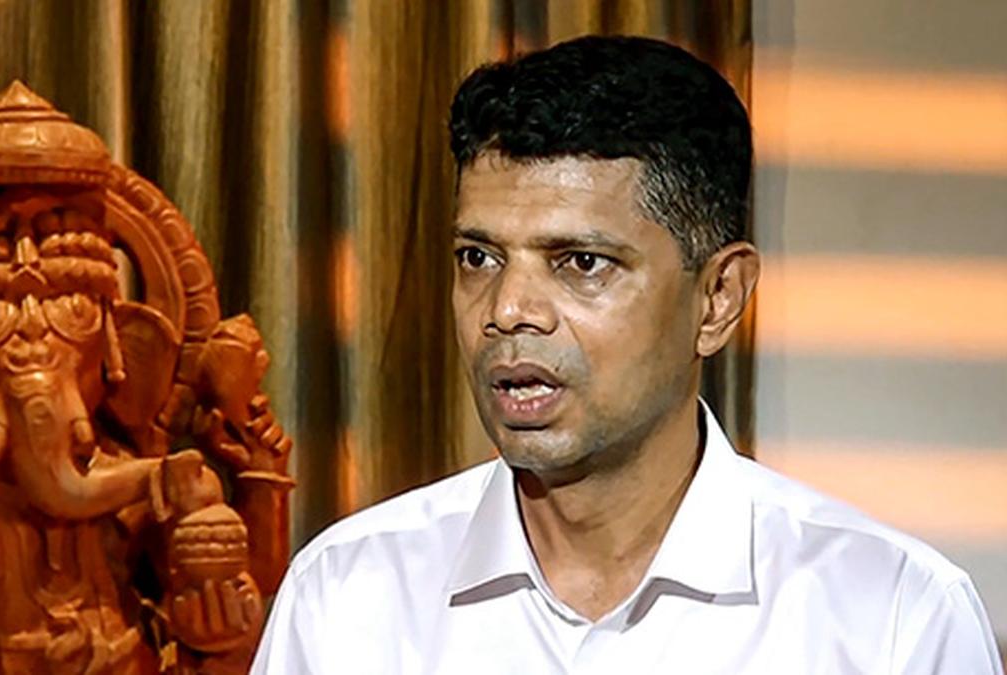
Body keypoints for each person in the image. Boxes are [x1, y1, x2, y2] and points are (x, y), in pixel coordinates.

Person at [251, 36, 1001, 673]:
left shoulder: (892, 619)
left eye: (580, 262)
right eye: (479, 257)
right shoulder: (347, 598)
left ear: (718, 298)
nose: (508, 310)